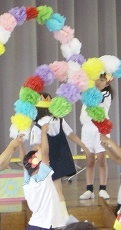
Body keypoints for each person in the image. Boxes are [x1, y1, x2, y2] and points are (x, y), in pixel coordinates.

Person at [30, 92, 90, 221]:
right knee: (58, 189)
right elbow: (71, 134)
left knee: (53, 190)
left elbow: (36, 148)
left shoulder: (37, 126)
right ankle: (60, 216)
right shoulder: (59, 120)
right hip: (62, 157)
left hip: (48, 160)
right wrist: (83, 146)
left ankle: (63, 218)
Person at [22, 123, 69, 229]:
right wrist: (44, 133)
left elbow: (23, 163)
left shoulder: (27, 181)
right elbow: (45, 153)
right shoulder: (44, 176)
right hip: (45, 226)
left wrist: (20, 145)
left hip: (33, 224)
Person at [79, 73, 114, 200]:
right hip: (87, 129)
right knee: (89, 161)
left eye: (102, 80)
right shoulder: (87, 92)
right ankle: (89, 189)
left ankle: (103, 189)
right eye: (96, 79)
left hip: (100, 129)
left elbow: (94, 100)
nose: (98, 82)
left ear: (107, 82)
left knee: (101, 160)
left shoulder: (106, 94)